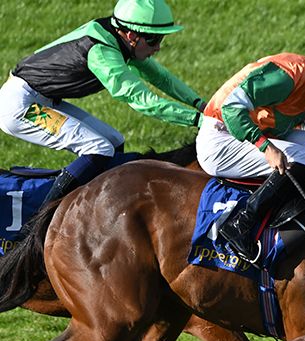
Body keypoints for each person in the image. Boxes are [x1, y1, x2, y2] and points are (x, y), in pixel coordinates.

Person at [0, 0, 205, 203]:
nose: (158, 47)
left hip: (40, 99)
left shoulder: (118, 36)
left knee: (114, 141)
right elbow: (144, 101)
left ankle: (101, 206)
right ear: (132, 36)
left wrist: (201, 104)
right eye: (154, 40)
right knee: (98, 148)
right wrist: (198, 120)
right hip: (20, 107)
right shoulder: (102, 52)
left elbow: (162, 78)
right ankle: (44, 216)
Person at [197, 32, 305, 262]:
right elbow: (231, 108)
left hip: (249, 133)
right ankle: (241, 223)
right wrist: (266, 148)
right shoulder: (287, 78)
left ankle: (289, 195)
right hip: (219, 140)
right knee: (304, 157)